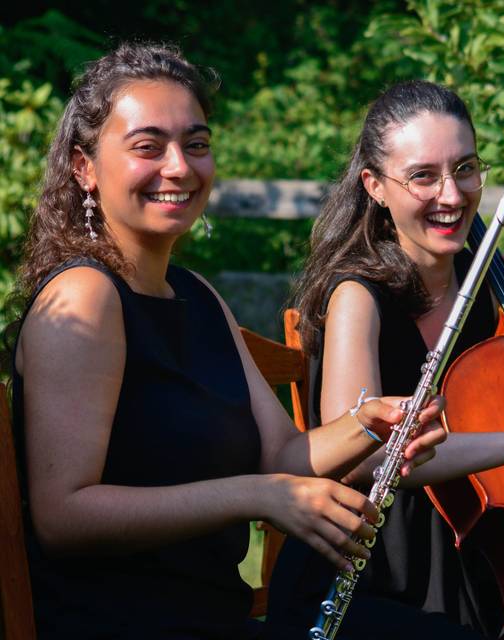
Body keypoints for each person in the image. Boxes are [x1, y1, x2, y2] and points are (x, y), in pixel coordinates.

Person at [6, 43, 445, 639]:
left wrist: (371, 423)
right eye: (147, 145)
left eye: (196, 144)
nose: (180, 166)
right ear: (84, 166)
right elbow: (64, 515)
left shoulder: (195, 293)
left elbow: (284, 456)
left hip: (219, 620)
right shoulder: (83, 296)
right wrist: (256, 496)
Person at [268, 80, 504, 639]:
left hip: (479, 551)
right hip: (370, 570)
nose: (453, 195)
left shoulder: (487, 290)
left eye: (465, 168)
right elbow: (366, 459)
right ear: (375, 186)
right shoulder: (357, 295)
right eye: (423, 176)